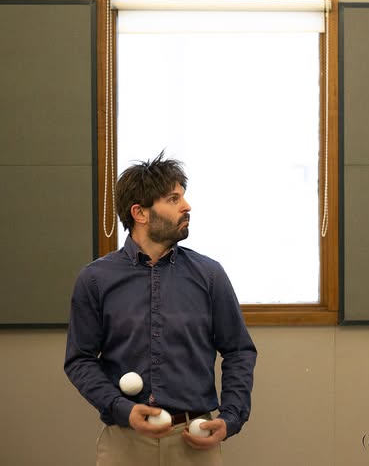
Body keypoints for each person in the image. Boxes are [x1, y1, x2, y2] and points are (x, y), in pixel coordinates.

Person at [64, 152, 257, 466]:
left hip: (195, 440)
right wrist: (120, 408)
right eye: (173, 199)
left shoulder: (210, 275)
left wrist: (231, 416)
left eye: (183, 196)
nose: (187, 206)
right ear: (140, 213)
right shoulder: (95, 280)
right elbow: (80, 360)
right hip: (124, 443)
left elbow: (239, 351)